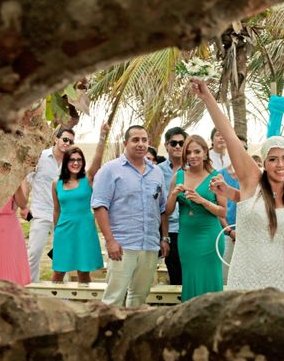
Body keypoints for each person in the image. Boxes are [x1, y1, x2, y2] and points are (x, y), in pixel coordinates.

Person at [192, 78, 284, 292]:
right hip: (245, 275)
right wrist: (207, 97)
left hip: (280, 278)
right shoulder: (252, 180)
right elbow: (230, 136)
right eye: (273, 159)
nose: (281, 165)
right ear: (264, 162)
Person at [91, 125, 170, 307]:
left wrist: (164, 238)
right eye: (135, 140)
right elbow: (99, 206)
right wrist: (110, 241)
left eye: (144, 140)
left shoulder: (156, 172)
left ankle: (130, 334)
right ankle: (107, 334)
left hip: (150, 245)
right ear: (125, 143)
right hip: (122, 245)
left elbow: (162, 208)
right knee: (113, 298)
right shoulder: (110, 170)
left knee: (139, 298)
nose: (140, 144)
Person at [165, 135, 226, 301]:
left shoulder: (216, 178)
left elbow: (223, 211)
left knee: (210, 281)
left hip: (210, 237)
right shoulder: (178, 177)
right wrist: (173, 195)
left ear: (205, 153)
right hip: (187, 238)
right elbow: (168, 211)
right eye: (189, 152)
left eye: (197, 151)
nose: (192, 156)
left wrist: (203, 201)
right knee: (191, 278)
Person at [50, 123, 108, 284]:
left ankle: (85, 306)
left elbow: (97, 159)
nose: (75, 163)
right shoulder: (56, 183)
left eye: (79, 160)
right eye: (72, 160)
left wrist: (102, 136)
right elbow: (56, 210)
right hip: (64, 229)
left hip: (85, 228)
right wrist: (56, 232)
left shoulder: (88, 179)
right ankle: (57, 305)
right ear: (66, 162)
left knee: (83, 272)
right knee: (58, 272)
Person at [26, 127, 76, 283]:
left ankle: (63, 292)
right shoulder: (40, 157)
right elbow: (27, 181)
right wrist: (23, 207)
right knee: (34, 252)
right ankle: (31, 288)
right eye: (65, 139)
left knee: (63, 255)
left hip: (62, 216)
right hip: (40, 212)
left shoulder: (72, 163)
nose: (67, 143)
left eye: (71, 141)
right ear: (56, 139)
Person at [158, 126, 189, 286]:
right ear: (166, 145)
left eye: (181, 143)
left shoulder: (195, 169)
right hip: (169, 231)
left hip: (191, 229)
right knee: (176, 277)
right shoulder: (157, 171)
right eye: (173, 143)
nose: (177, 146)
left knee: (192, 275)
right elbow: (159, 206)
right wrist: (164, 238)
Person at [217, 135, 248, 285]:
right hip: (226, 234)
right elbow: (219, 209)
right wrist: (230, 231)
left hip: (249, 235)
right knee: (225, 277)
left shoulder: (253, 177)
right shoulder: (220, 175)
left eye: (244, 148)